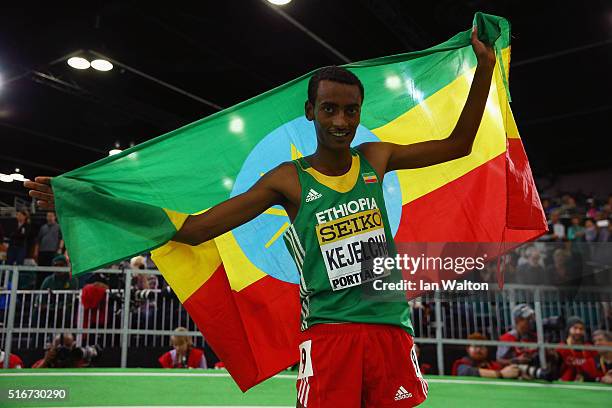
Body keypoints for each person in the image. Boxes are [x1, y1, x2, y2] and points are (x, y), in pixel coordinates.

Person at [25, 26, 496, 407]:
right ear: (310, 111)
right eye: (329, 109)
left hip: (392, 328)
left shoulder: (375, 157)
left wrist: (485, 68)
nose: (340, 121)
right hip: (330, 335)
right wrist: (84, 202)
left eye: (351, 111)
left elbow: (459, 144)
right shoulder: (287, 180)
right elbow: (195, 228)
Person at [452, 332, 519, 379]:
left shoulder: (494, 365)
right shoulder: (462, 364)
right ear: (468, 349)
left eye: (481, 346)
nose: (478, 350)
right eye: (475, 346)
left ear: (487, 349)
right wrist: (500, 374)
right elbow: (466, 372)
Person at [555, 316, 599, 382]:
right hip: (565, 384)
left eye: (581, 329)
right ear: (568, 329)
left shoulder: (590, 348)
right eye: (575, 328)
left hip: (588, 384)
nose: (578, 332)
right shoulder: (560, 348)